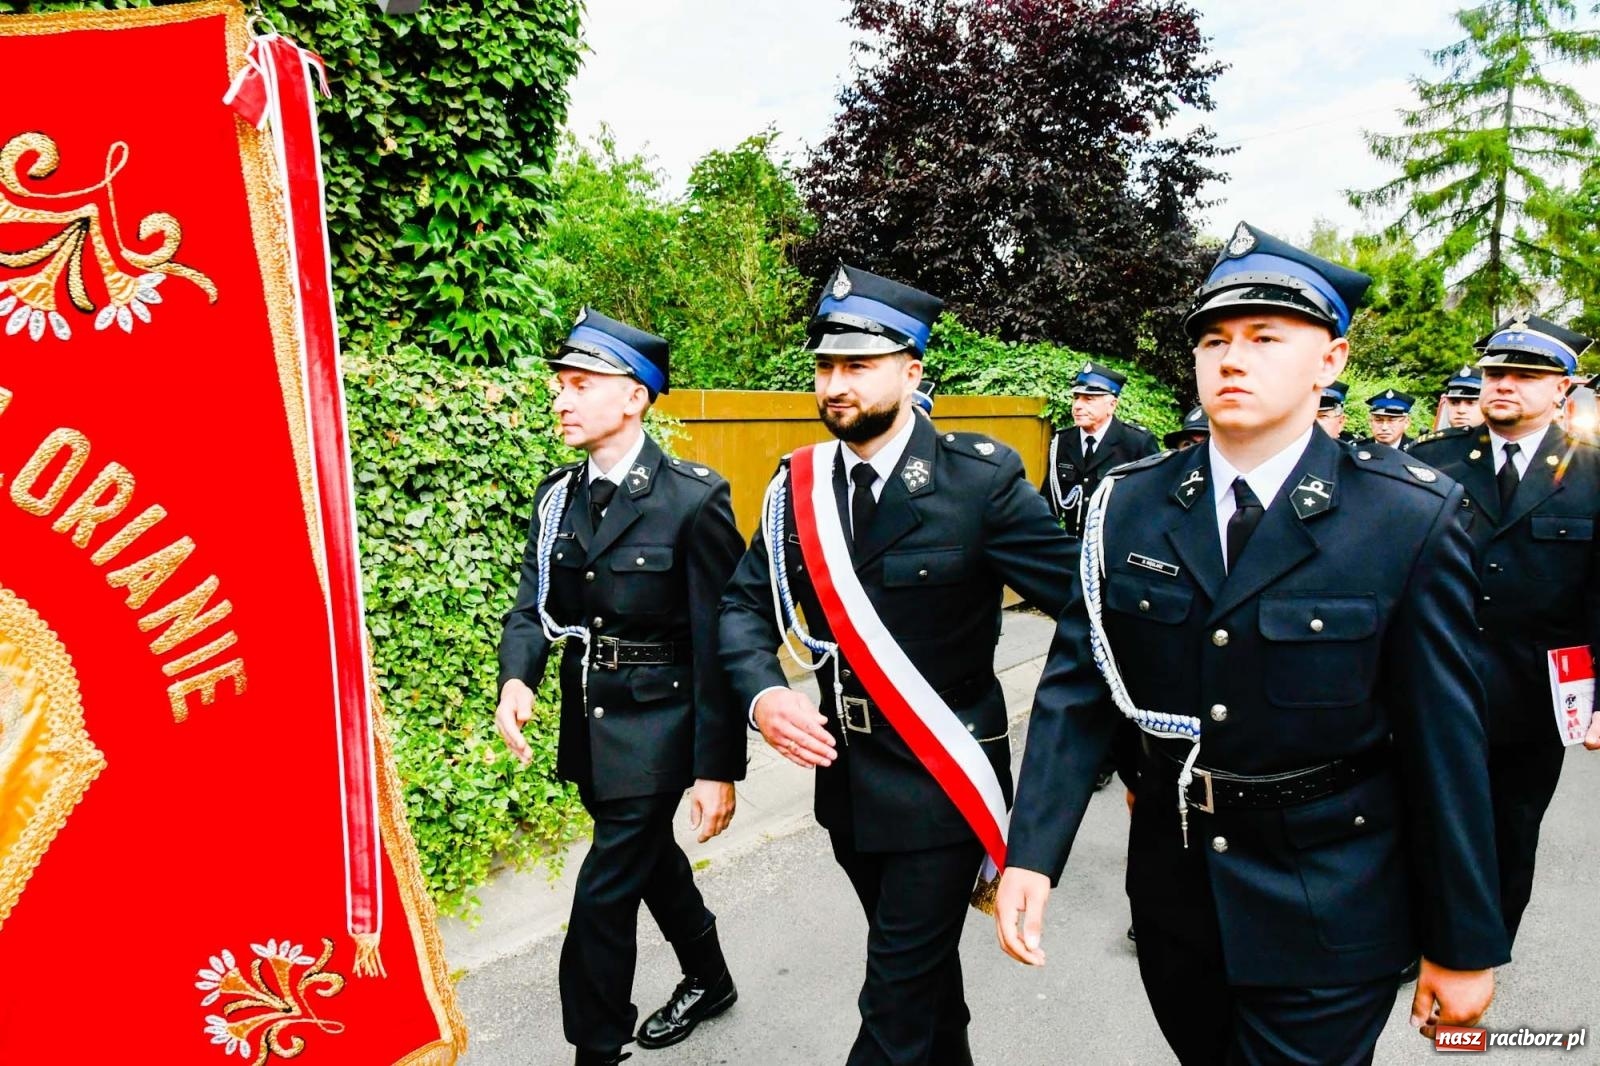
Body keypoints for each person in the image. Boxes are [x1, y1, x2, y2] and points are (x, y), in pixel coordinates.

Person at [996, 222, 1506, 1065]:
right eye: (1214, 340)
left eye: (1266, 338)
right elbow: (1079, 689)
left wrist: (1463, 941)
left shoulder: (1406, 516)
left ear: (1330, 360)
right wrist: (1033, 854)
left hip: (1331, 897)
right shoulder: (1130, 505)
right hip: (1177, 892)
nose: (1232, 360)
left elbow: (1446, 743)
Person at [718, 264, 1075, 1066]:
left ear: (912, 374)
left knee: (892, 1009)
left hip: (942, 781)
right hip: (847, 782)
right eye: (825, 366)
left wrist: (1071, 735)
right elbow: (741, 606)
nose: (834, 384)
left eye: (858, 365)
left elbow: (1088, 611)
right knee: (924, 984)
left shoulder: (979, 483)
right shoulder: (798, 486)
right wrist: (764, 694)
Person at [495, 309, 746, 1066]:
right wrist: (518, 678)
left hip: (662, 725)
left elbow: (723, 638)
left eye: (581, 385)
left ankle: (596, 1046)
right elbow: (532, 605)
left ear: (635, 397)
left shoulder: (692, 498)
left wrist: (716, 767)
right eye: (559, 386)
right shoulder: (558, 497)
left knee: (603, 892)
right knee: (649, 861)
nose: (561, 399)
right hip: (591, 721)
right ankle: (711, 978)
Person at [1409, 314, 1600, 947]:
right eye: (1495, 373)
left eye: (1524, 376)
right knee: (1422, 817)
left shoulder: (1592, 472)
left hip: (1532, 694)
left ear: (1562, 390)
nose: (1504, 385)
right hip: (1434, 681)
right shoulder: (1430, 464)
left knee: (1511, 828)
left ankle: (1483, 947)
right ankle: (1417, 940)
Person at [1041, 361, 1159, 536]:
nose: (1078, 405)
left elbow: (1153, 504)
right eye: (1076, 398)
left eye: (1088, 399)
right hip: (1074, 545)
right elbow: (1049, 502)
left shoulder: (1136, 443)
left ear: (1112, 405)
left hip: (1116, 546)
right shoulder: (1062, 441)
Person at [1438, 365, 1485, 430]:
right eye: (1454, 403)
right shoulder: (1438, 436)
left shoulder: (1497, 437)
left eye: (1471, 403)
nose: (1461, 410)